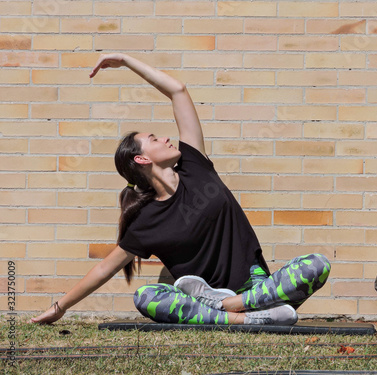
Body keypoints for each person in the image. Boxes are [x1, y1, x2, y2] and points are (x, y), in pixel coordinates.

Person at [31, 53, 331, 326]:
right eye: (153, 139)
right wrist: (59, 308)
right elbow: (103, 270)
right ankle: (245, 320)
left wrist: (127, 61)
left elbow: (178, 91)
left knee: (316, 265)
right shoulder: (145, 221)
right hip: (216, 302)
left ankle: (232, 306)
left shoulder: (194, 166)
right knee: (146, 297)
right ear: (142, 158)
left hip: (256, 289)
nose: (164, 138)